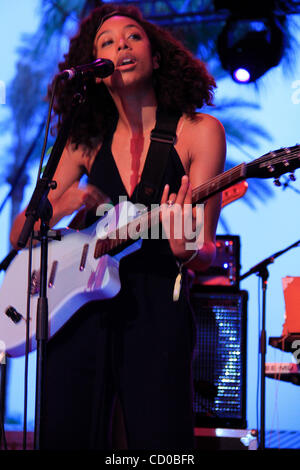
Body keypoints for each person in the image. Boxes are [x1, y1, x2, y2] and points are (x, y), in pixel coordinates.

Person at [10, 4, 226, 450]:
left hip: (156, 306)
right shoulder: (83, 139)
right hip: (78, 307)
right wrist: (70, 201)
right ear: (96, 69)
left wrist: (186, 250)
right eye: (106, 42)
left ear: (158, 56)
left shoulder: (198, 131)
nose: (120, 46)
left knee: (162, 445)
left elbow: (204, 249)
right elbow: (20, 232)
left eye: (132, 37)